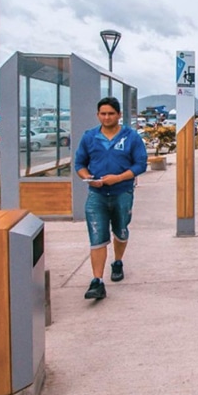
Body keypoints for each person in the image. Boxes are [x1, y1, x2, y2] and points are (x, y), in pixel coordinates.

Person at [75, 97, 148, 300]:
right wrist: (87, 177)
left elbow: (140, 164)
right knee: (97, 237)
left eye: (111, 113)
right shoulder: (89, 137)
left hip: (122, 193)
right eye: (103, 113)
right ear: (98, 115)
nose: (106, 117)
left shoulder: (131, 137)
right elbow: (79, 163)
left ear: (118, 115)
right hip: (96, 195)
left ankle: (117, 261)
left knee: (121, 232)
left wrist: (118, 178)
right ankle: (97, 281)